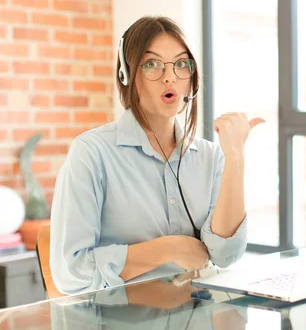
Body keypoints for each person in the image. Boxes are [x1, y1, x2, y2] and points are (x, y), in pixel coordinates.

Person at [49, 16, 264, 295]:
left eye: (181, 64)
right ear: (127, 76)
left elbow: (225, 255)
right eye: (152, 64)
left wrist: (235, 157)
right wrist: (167, 249)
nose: (169, 76)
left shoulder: (210, 156)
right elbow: (69, 272)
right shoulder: (92, 154)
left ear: (192, 79)